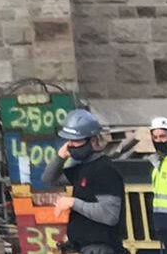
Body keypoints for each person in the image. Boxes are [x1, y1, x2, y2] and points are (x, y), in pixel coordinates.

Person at [41, 108, 125, 254]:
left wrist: (73, 202)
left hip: (100, 248)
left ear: (92, 140)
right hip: (84, 246)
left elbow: (109, 215)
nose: (71, 145)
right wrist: (60, 157)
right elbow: (49, 178)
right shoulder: (82, 167)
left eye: (76, 141)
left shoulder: (104, 170)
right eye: (69, 141)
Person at [147, 116, 167, 254]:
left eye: (163, 136)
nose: (159, 141)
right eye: (155, 137)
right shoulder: (158, 163)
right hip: (163, 229)